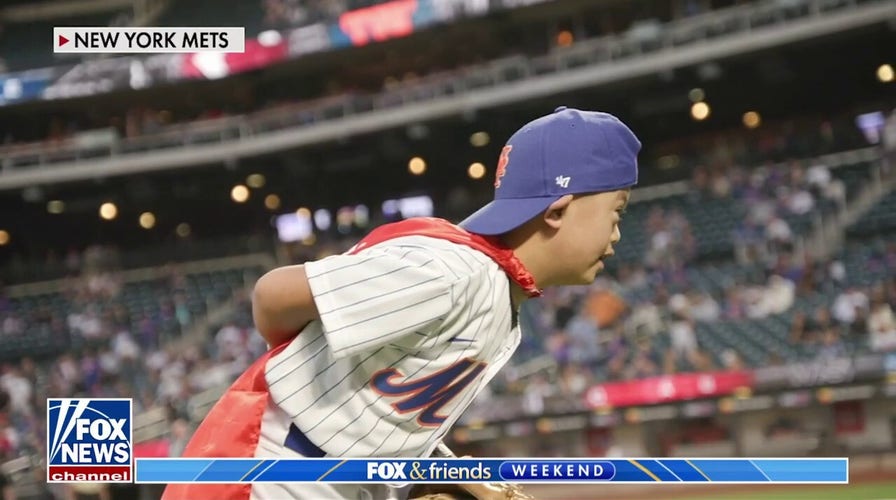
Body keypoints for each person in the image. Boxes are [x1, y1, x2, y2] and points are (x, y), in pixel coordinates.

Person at [162, 106, 639, 500]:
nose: (617, 235)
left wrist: (471, 483)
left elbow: (387, 422)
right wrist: (303, 363)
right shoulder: (454, 272)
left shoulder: (499, 297)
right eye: (615, 213)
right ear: (556, 209)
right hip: (277, 474)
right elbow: (271, 294)